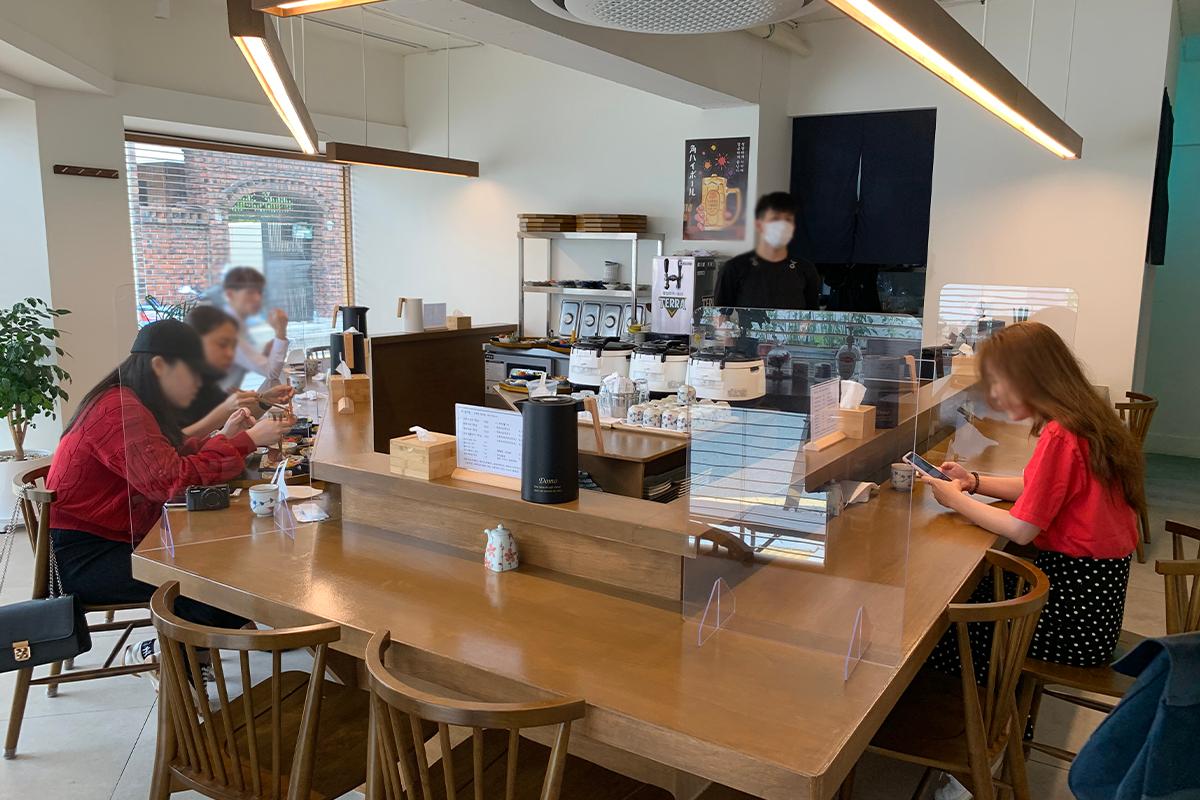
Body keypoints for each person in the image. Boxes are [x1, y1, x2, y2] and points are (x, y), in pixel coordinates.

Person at [920, 322, 1143, 799]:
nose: (994, 395)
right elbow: (1038, 488)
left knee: (943, 635)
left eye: (999, 382)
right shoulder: (1082, 420)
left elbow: (1023, 528)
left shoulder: (1062, 433)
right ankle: (996, 730)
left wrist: (953, 499)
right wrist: (974, 482)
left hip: (1076, 620)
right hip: (1096, 602)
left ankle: (973, 758)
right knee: (971, 601)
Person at [46, 319, 294, 671]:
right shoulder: (118, 410)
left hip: (118, 537)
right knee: (219, 583)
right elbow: (170, 482)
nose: (196, 385)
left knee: (230, 566)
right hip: (86, 556)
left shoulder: (126, 399)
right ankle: (159, 653)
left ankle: (187, 658)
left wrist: (225, 437)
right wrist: (248, 441)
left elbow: (167, 458)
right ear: (160, 365)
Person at [181, 305, 293, 438]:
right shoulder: (177, 385)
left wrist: (266, 400)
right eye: (222, 344)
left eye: (233, 345)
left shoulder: (210, 381)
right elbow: (173, 443)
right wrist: (223, 412)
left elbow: (236, 423)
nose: (230, 353)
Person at [712, 192, 823, 311]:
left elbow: (811, 317)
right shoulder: (734, 269)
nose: (782, 226)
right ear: (759, 225)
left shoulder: (806, 269)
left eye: (788, 219)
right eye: (775, 219)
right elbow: (720, 317)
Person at [218, 266, 290, 392]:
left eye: (260, 292)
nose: (258, 298)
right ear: (230, 294)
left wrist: (264, 355)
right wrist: (281, 330)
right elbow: (272, 373)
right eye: (250, 292)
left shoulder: (233, 321)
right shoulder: (228, 327)